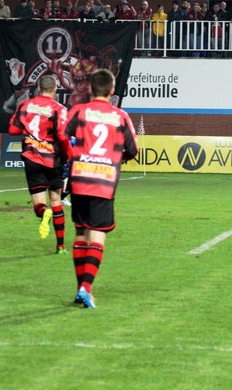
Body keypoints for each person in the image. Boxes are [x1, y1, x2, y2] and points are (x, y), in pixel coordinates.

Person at [64, 69, 139, 309]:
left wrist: (75, 154)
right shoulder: (120, 116)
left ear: (89, 89)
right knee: (97, 234)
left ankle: (80, 289)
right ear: (112, 90)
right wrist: (119, 157)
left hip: (79, 178)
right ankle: (86, 288)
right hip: (103, 181)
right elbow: (133, 149)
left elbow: (63, 136)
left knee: (80, 233)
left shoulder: (79, 111)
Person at [8, 76, 73, 254]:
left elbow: (12, 129)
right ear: (55, 89)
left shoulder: (25, 105)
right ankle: (60, 246)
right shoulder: (59, 109)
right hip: (54, 160)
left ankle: (44, 212)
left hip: (32, 157)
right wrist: (68, 155)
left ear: (38, 87)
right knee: (56, 200)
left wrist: (29, 130)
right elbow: (62, 136)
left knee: (39, 204)